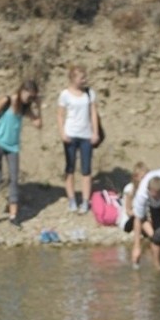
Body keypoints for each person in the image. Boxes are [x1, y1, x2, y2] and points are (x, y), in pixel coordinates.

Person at [0, 80, 42, 229]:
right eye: (29, 96)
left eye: (32, 97)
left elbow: (38, 124)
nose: (29, 99)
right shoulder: (6, 100)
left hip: (13, 146)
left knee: (14, 179)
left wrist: (38, 107)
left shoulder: (25, 107)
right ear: (22, 90)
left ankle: (14, 216)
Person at [57, 65, 100, 215]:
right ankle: (71, 199)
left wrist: (95, 132)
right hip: (70, 134)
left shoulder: (89, 93)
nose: (84, 80)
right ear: (73, 78)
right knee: (70, 168)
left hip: (86, 135)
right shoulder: (65, 95)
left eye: (85, 77)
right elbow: (60, 115)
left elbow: (93, 113)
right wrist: (62, 133)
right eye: (81, 77)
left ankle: (85, 201)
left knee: (86, 169)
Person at [117, 160, 148, 235]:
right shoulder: (130, 189)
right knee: (141, 219)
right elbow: (128, 211)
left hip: (140, 217)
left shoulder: (146, 189)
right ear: (136, 177)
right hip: (129, 220)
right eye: (142, 178)